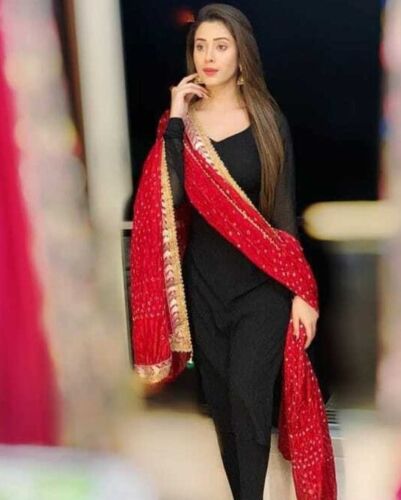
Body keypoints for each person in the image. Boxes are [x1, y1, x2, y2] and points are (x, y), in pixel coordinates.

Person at [131, 4, 336, 500]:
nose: (209, 56)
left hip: (262, 290)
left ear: (241, 54)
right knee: (224, 408)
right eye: (201, 46)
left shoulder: (266, 120)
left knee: (248, 398)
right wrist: (176, 119)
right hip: (205, 289)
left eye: (220, 46)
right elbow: (170, 197)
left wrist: (301, 293)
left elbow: (284, 213)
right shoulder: (181, 128)